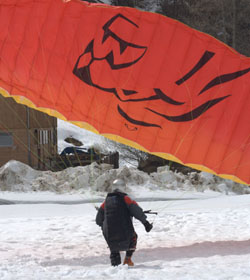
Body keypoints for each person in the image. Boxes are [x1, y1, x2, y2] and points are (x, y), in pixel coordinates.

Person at [95, 178, 153, 267]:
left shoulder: (106, 201)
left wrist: (105, 227)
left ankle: (115, 267)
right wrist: (146, 224)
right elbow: (137, 212)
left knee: (113, 246)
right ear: (123, 187)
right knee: (133, 238)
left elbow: (98, 220)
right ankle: (127, 259)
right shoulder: (126, 199)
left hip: (109, 233)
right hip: (124, 230)